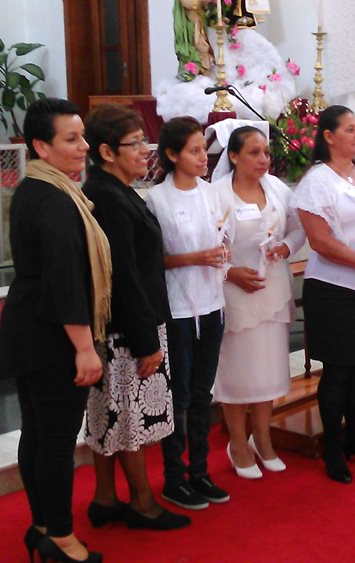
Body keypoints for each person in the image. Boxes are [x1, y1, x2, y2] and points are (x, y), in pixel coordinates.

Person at [0, 98, 107, 563]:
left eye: (82, 136)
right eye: (71, 139)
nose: (83, 146)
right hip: (52, 338)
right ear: (41, 146)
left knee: (39, 435)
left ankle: (42, 525)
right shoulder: (55, 201)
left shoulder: (36, 188)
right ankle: (61, 538)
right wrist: (84, 348)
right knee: (57, 441)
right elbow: (64, 282)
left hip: (29, 329)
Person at [80, 104, 189, 532]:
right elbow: (123, 274)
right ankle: (142, 502)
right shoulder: (108, 197)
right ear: (107, 151)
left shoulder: (115, 190)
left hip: (123, 325)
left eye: (145, 140)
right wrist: (146, 341)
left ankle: (106, 498)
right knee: (130, 419)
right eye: (134, 143)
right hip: (128, 329)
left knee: (109, 413)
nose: (145, 150)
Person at [292, 105, 355, 483]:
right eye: (349, 129)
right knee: (336, 372)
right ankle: (333, 449)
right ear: (329, 137)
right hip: (335, 289)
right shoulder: (318, 181)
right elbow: (321, 241)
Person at [145, 116, 230, 510]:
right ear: (172, 155)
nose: (203, 158)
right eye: (194, 151)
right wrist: (194, 257)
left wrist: (223, 254)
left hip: (212, 304)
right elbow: (150, 260)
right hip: (178, 310)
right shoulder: (156, 200)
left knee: (202, 394)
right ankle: (173, 478)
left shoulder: (213, 194)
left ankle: (200, 472)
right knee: (177, 397)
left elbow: (223, 238)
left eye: (205, 150)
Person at [212, 126, 305, 477]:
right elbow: (207, 244)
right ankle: (237, 442)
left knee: (267, 370)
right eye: (253, 152)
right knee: (238, 371)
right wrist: (230, 272)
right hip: (234, 293)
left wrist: (287, 247)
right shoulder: (217, 194)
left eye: (266, 152)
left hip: (272, 289)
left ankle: (262, 439)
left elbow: (298, 228)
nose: (263, 159)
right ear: (233, 156)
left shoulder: (277, 189)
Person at [173, 0, 215, 77]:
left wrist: (210, 1)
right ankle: (197, 73)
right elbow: (186, 1)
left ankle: (204, 73)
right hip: (191, 22)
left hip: (199, 20)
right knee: (199, 46)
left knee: (204, 46)